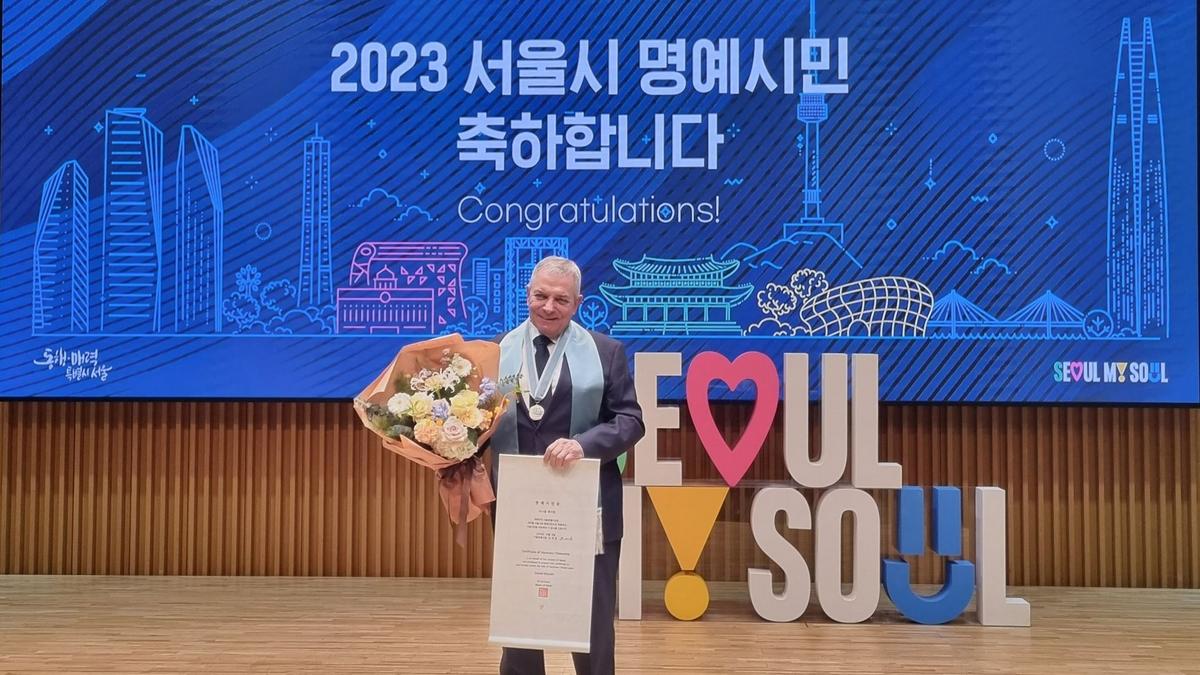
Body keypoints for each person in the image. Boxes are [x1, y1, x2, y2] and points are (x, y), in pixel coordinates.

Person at [489, 256, 644, 675]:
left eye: (561, 299)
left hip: (587, 507)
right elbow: (479, 422)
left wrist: (583, 444)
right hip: (518, 507)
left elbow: (631, 421)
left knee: (592, 624)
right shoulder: (496, 352)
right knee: (519, 621)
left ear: (578, 303)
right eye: (541, 296)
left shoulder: (606, 352)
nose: (549, 307)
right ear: (527, 295)